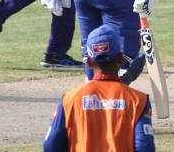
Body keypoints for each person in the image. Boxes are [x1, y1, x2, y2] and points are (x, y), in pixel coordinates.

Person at [43, 24, 155, 152]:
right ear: (119, 58)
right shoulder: (138, 100)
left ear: (89, 62)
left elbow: (51, 146)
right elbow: (145, 147)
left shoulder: (69, 100)